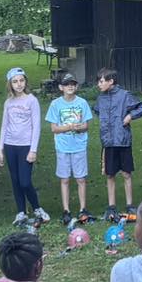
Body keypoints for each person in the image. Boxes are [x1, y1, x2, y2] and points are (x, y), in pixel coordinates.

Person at [0, 66, 49, 226]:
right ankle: (21, 212)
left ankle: (37, 208)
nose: (19, 84)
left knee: (25, 181)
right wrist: (0, 149)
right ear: (10, 84)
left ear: (25, 82)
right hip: (10, 145)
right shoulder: (8, 102)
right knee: (15, 181)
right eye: (15, 81)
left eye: (21, 80)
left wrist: (33, 150)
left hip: (26, 146)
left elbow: (36, 126)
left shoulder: (31, 100)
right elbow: (4, 126)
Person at [95, 69, 142, 220]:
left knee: (126, 173)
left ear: (111, 81)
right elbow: (97, 111)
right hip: (108, 141)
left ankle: (130, 205)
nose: (99, 84)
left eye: (101, 81)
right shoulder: (100, 98)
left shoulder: (124, 95)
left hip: (123, 140)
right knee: (110, 174)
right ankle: (111, 206)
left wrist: (130, 116)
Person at [45, 72, 95, 220]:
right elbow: (54, 128)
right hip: (62, 147)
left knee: (81, 179)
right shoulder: (55, 104)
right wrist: (69, 127)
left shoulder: (82, 103)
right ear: (61, 87)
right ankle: (66, 210)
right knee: (65, 179)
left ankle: (83, 209)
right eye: (66, 84)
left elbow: (86, 125)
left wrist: (79, 128)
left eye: (72, 84)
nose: (70, 87)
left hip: (79, 146)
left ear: (76, 86)